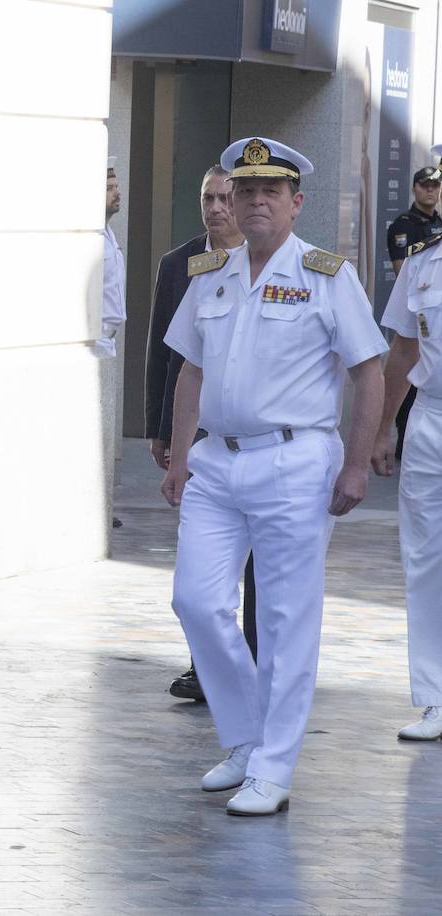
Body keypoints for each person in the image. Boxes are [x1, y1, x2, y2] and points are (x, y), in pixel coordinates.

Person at [161, 137, 386, 816]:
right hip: (216, 461)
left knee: (287, 619)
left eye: (270, 191)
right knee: (196, 601)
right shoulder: (212, 272)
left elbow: (368, 370)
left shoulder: (326, 274)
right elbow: (191, 370)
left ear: (295, 203)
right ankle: (245, 738)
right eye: (244, 190)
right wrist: (177, 456)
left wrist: (356, 460)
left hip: (294, 460)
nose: (254, 201)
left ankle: (275, 765)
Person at [142, 165, 256, 704]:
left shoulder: (273, 264)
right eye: (207, 197)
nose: (215, 208)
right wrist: (161, 429)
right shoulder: (179, 264)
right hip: (198, 432)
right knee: (201, 559)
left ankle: (253, 658)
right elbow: (167, 357)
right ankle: (204, 664)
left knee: (257, 561)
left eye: (224, 198)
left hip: (252, 428)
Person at [372, 226, 442, 740]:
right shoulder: (422, 264)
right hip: (431, 420)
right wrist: (381, 430)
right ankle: (435, 698)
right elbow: (402, 349)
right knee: (424, 558)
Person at [384, 160, 442, 458]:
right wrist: (380, 433)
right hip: (431, 412)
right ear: (415, 188)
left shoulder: (436, 223)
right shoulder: (407, 228)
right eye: (426, 185)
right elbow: (404, 350)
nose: (431, 191)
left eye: (435, 185)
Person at [96, 157, 126, 358]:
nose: (118, 193)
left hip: (107, 339)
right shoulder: (89, 238)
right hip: (93, 339)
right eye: (109, 188)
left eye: (116, 186)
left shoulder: (107, 233)